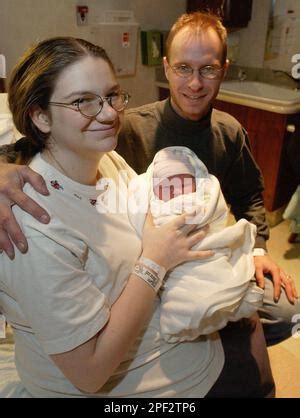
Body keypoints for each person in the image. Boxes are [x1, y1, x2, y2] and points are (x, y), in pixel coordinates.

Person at [0, 36, 275, 399]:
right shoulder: (32, 226)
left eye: (112, 96)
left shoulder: (107, 162)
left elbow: (152, 212)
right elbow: (89, 374)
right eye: (83, 101)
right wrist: (154, 261)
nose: (110, 113)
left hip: (168, 342)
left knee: (253, 326)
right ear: (40, 116)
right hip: (126, 382)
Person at [114, 11, 299, 345]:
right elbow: (55, 151)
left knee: (287, 310)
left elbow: (250, 197)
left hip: (207, 259)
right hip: (144, 264)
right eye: (184, 68)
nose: (195, 83)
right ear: (167, 67)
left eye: (208, 69)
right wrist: (7, 169)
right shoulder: (129, 128)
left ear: (223, 70)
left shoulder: (228, 132)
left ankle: (206, 332)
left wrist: (258, 251)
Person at [126, 145, 264, 343]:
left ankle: (230, 300)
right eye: (166, 187)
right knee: (182, 296)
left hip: (208, 247)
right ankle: (184, 318)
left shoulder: (202, 195)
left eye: (183, 184)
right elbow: (146, 220)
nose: (176, 190)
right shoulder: (157, 205)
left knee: (223, 273)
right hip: (175, 265)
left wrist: (260, 249)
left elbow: (219, 211)